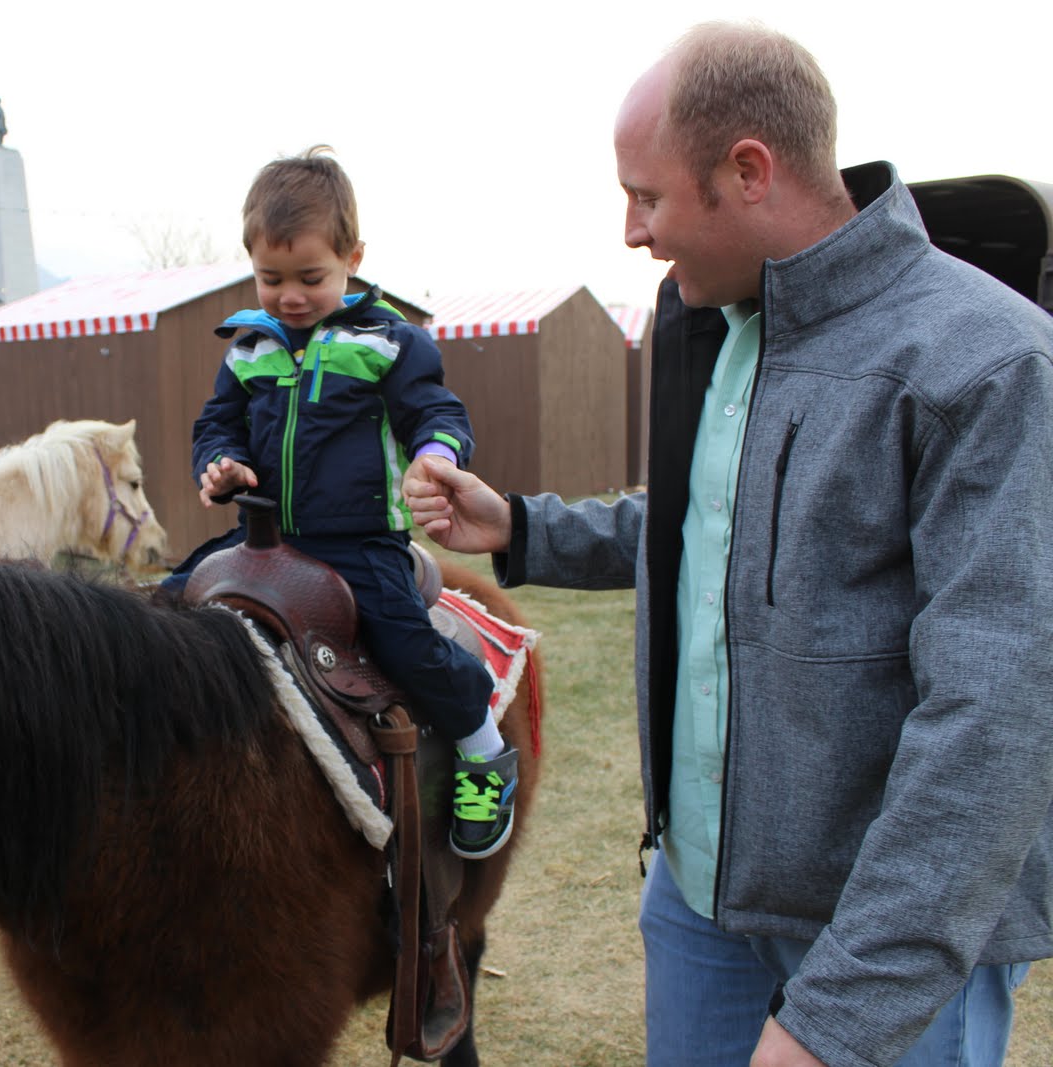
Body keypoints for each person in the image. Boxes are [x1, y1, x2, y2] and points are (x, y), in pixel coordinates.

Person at [405, 22, 1053, 1067]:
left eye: (646, 196)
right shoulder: (717, 327)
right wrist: (520, 528)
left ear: (747, 171)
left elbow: (995, 723)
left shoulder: (984, 363)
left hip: (873, 950)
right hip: (697, 905)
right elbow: (712, 526)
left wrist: (835, 1015)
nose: (629, 230)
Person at [163, 146, 518, 860]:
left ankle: (482, 747)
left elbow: (435, 412)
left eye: (311, 277)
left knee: (404, 643)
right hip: (261, 538)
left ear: (353, 257)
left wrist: (435, 456)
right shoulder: (247, 346)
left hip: (359, 542)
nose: (290, 296)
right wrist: (218, 464)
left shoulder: (388, 341)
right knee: (168, 612)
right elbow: (217, 425)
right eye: (271, 278)